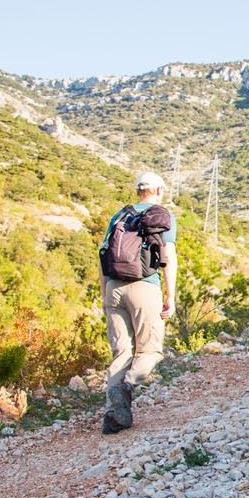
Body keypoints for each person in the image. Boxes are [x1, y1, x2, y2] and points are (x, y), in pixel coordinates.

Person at [100, 171, 177, 435]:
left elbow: (102, 255)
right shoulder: (160, 214)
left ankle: (113, 414)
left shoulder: (119, 216)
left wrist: (104, 295)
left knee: (121, 353)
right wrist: (171, 295)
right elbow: (168, 257)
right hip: (145, 287)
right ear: (157, 190)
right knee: (151, 351)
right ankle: (126, 387)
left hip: (113, 287)